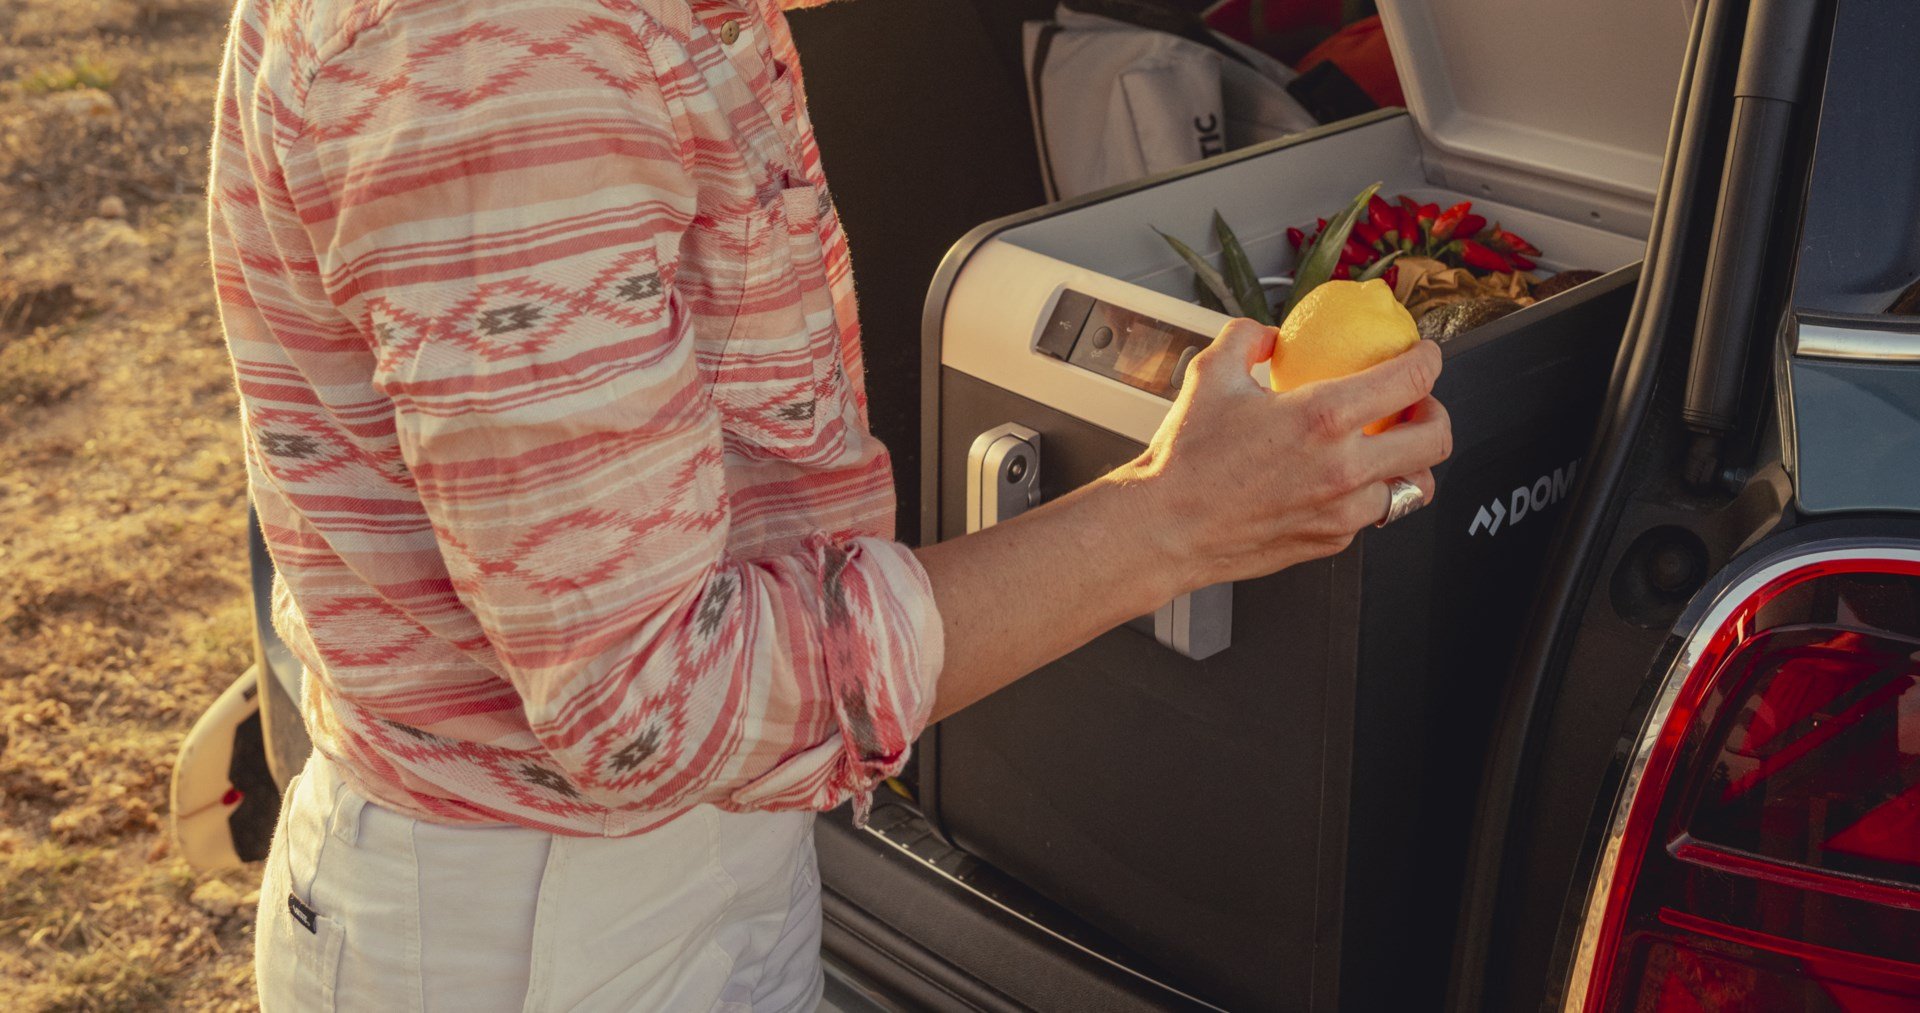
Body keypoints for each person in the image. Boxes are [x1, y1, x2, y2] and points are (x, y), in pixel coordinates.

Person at [206, 0, 1452, 1008]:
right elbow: (650, 704)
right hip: (549, 930)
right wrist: (1174, 519)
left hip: (647, 882)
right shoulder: (508, 57)